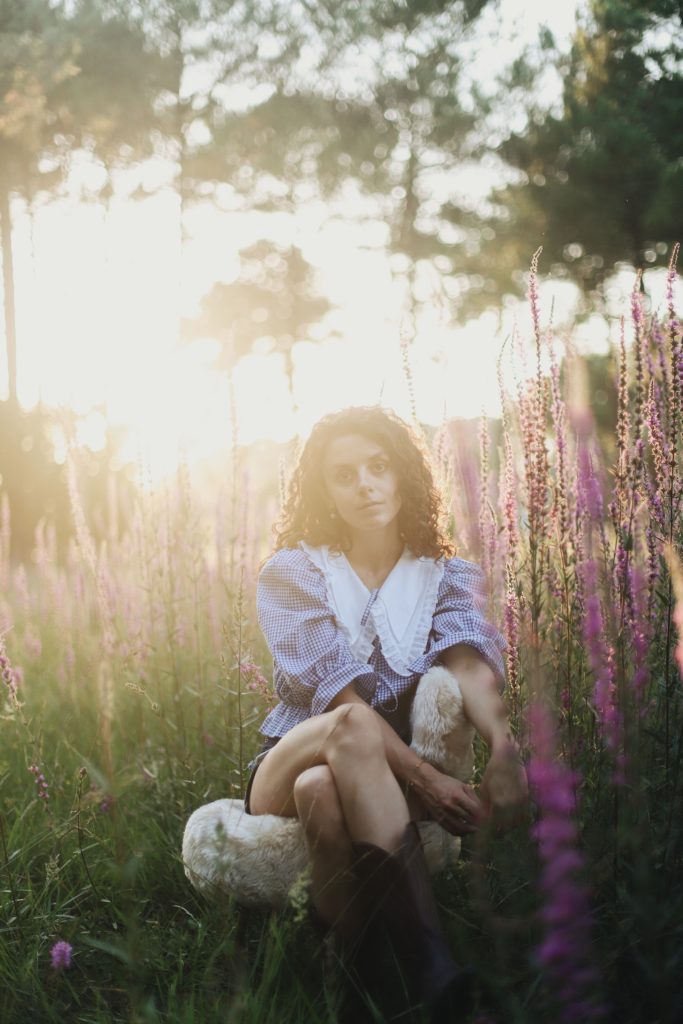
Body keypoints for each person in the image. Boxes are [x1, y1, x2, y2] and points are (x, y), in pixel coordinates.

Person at [245, 405, 528, 1021]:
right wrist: (426, 779)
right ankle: (430, 960)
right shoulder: (292, 573)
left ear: (403, 474)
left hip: (363, 783)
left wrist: (505, 747)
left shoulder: (447, 577)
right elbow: (341, 699)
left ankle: (350, 972)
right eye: (343, 474)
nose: (365, 484)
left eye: (378, 467)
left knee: (326, 791)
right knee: (340, 738)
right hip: (285, 766)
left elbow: (467, 664)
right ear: (324, 488)